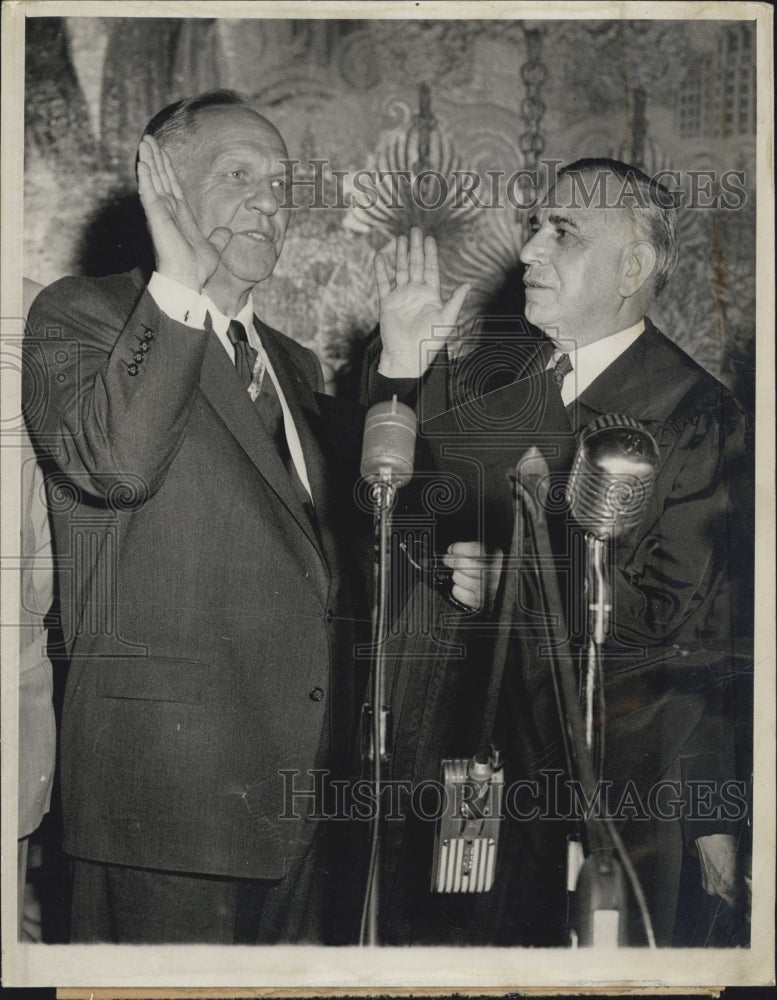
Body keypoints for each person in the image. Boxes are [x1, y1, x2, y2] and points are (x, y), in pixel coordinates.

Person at [365, 159, 752, 945]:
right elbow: (392, 520)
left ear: (632, 268)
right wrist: (406, 362)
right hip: (476, 773)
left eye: (562, 232)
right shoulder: (502, 382)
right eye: (535, 226)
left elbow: (666, 623)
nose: (530, 250)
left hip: (606, 796)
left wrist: (508, 580)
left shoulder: (693, 414)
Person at [22, 90, 365, 944]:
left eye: (281, 184)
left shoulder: (291, 361)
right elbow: (117, 466)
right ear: (164, 187)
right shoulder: (82, 315)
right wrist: (179, 284)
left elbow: (327, 563)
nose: (270, 203)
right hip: (165, 807)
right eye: (240, 174)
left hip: (297, 806)